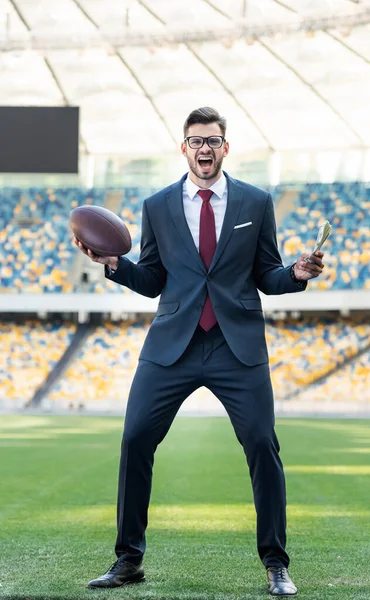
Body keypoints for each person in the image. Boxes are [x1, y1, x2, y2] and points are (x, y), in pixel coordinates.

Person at [74, 107, 324, 597]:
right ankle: (128, 560)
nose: (204, 149)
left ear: (225, 147)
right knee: (134, 440)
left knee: (262, 447)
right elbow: (151, 281)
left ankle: (276, 563)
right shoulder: (158, 204)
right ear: (184, 147)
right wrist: (113, 263)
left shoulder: (256, 200)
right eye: (195, 141)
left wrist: (295, 275)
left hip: (237, 347)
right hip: (173, 345)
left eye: (213, 140)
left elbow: (267, 274)